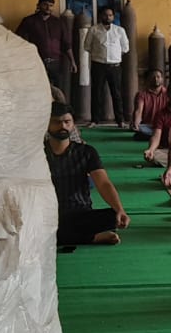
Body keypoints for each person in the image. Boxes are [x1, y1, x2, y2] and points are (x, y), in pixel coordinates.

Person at [45, 102, 130, 246]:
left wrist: (119, 209)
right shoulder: (38, 153)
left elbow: (103, 183)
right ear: (46, 124)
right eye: (57, 122)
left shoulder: (86, 152)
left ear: (73, 124)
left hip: (80, 213)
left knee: (112, 216)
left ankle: (65, 236)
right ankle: (91, 238)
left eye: (67, 122)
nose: (63, 126)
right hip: (47, 213)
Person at [17, 0, 76, 89]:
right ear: (38, 5)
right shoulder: (29, 21)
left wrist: (72, 62)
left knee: (57, 90)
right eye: (45, 4)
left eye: (51, 5)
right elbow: (19, 41)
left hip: (55, 63)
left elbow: (66, 44)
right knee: (38, 89)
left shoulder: (59, 23)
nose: (48, 8)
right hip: (37, 62)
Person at [84, 5, 129, 127]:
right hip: (98, 65)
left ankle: (120, 120)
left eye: (110, 15)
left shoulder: (119, 30)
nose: (108, 17)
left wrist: (114, 55)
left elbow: (125, 48)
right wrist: (100, 54)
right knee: (96, 93)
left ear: (113, 17)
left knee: (117, 94)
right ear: (100, 16)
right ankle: (94, 120)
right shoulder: (93, 30)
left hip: (115, 66)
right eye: (105, 15)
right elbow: (87, 46)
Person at [142, 84, 171, 168]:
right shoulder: (161, 114)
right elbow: (156, 135)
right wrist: (151, 149)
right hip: (167, 150)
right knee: (154, 156)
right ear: (168, 94)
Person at [132, 68, 168, 137]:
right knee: (141, 130)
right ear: (148, 79)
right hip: (148, 126)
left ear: (162, 79)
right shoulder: (141, 94)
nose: (156, 79)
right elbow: (138, 111)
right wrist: (136, 124)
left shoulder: (168, 94)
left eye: (158, 77)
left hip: (163, 126)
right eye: (153, 77)